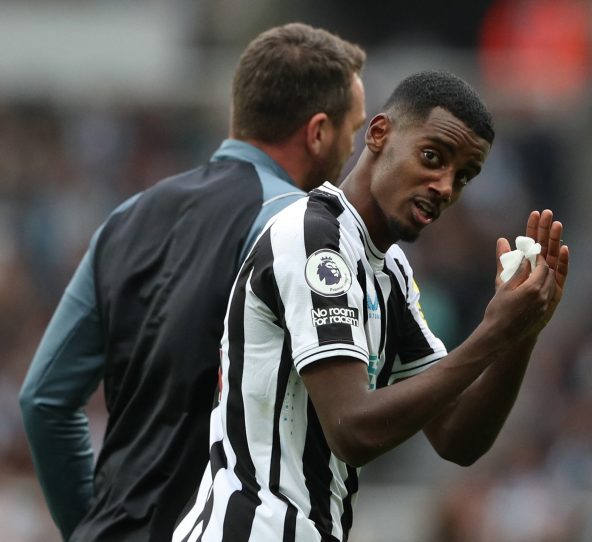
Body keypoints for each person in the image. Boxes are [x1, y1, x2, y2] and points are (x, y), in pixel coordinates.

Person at [173, 70, 569, 542]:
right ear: (378, 134)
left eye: (463, 175)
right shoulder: (313, 238)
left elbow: (457, 438)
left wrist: (522, 335)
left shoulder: (391, 270)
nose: (445, 186)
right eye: (432, 157)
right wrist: (493, 333)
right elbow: (352, 429)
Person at [18, 22, 366, 542]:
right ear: (317, 132)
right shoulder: (299, 227)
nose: (353, 150)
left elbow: (44, 399)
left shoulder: (125, 218)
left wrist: (91, 525)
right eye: (353, 130)